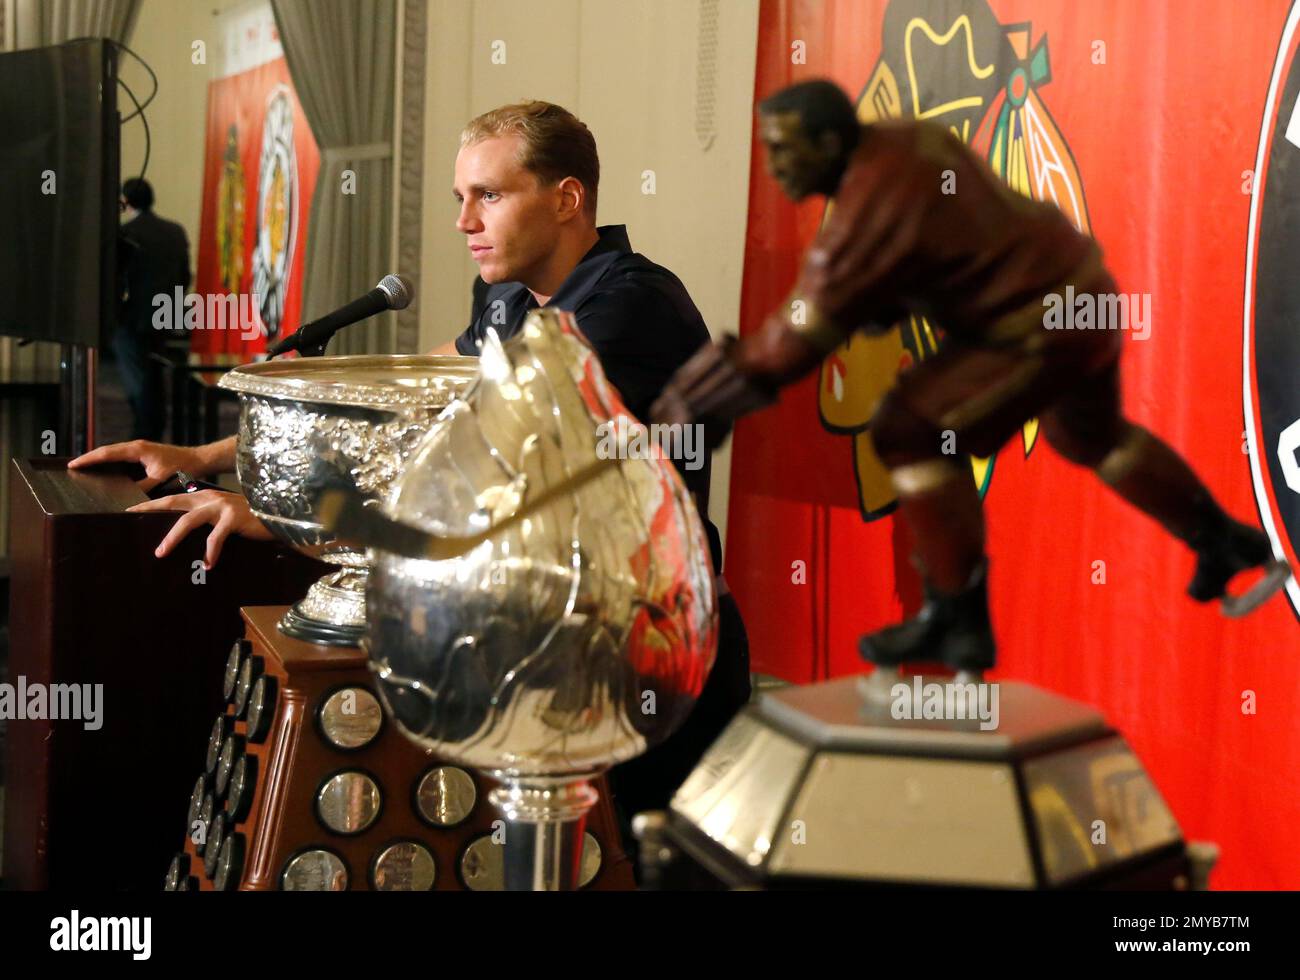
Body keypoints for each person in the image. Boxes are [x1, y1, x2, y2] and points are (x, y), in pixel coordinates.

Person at [71, 101, 750, 851]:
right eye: (460, 199)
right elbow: (401, 404)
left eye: (488, 196)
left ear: (566, 199)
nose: (464, 222)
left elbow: (470, 461)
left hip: (644, 651)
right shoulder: (510, 299)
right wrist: (203, 458)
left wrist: (277, 514)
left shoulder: (628, 307)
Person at [652, 79, 1291, 674]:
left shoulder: (867, 208)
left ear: (827, 143)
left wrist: (694, 405)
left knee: (909, 430)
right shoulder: (903, 143)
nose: (774, 166)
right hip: (1078, 293)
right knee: (1095, 441)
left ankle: (958, 618)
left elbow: (795, 339)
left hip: (1035, 323)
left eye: (783, 150)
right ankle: (1224, 540)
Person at [115, 177, 191, 441]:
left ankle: (143, 435)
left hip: (132, 317)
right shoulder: (175, 231)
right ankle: (156, 431)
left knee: (138, 380)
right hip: (166, 316)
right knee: (156, 375)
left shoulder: (125, 234)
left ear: (125, 201)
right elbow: (184, 276)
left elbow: (117, 278)